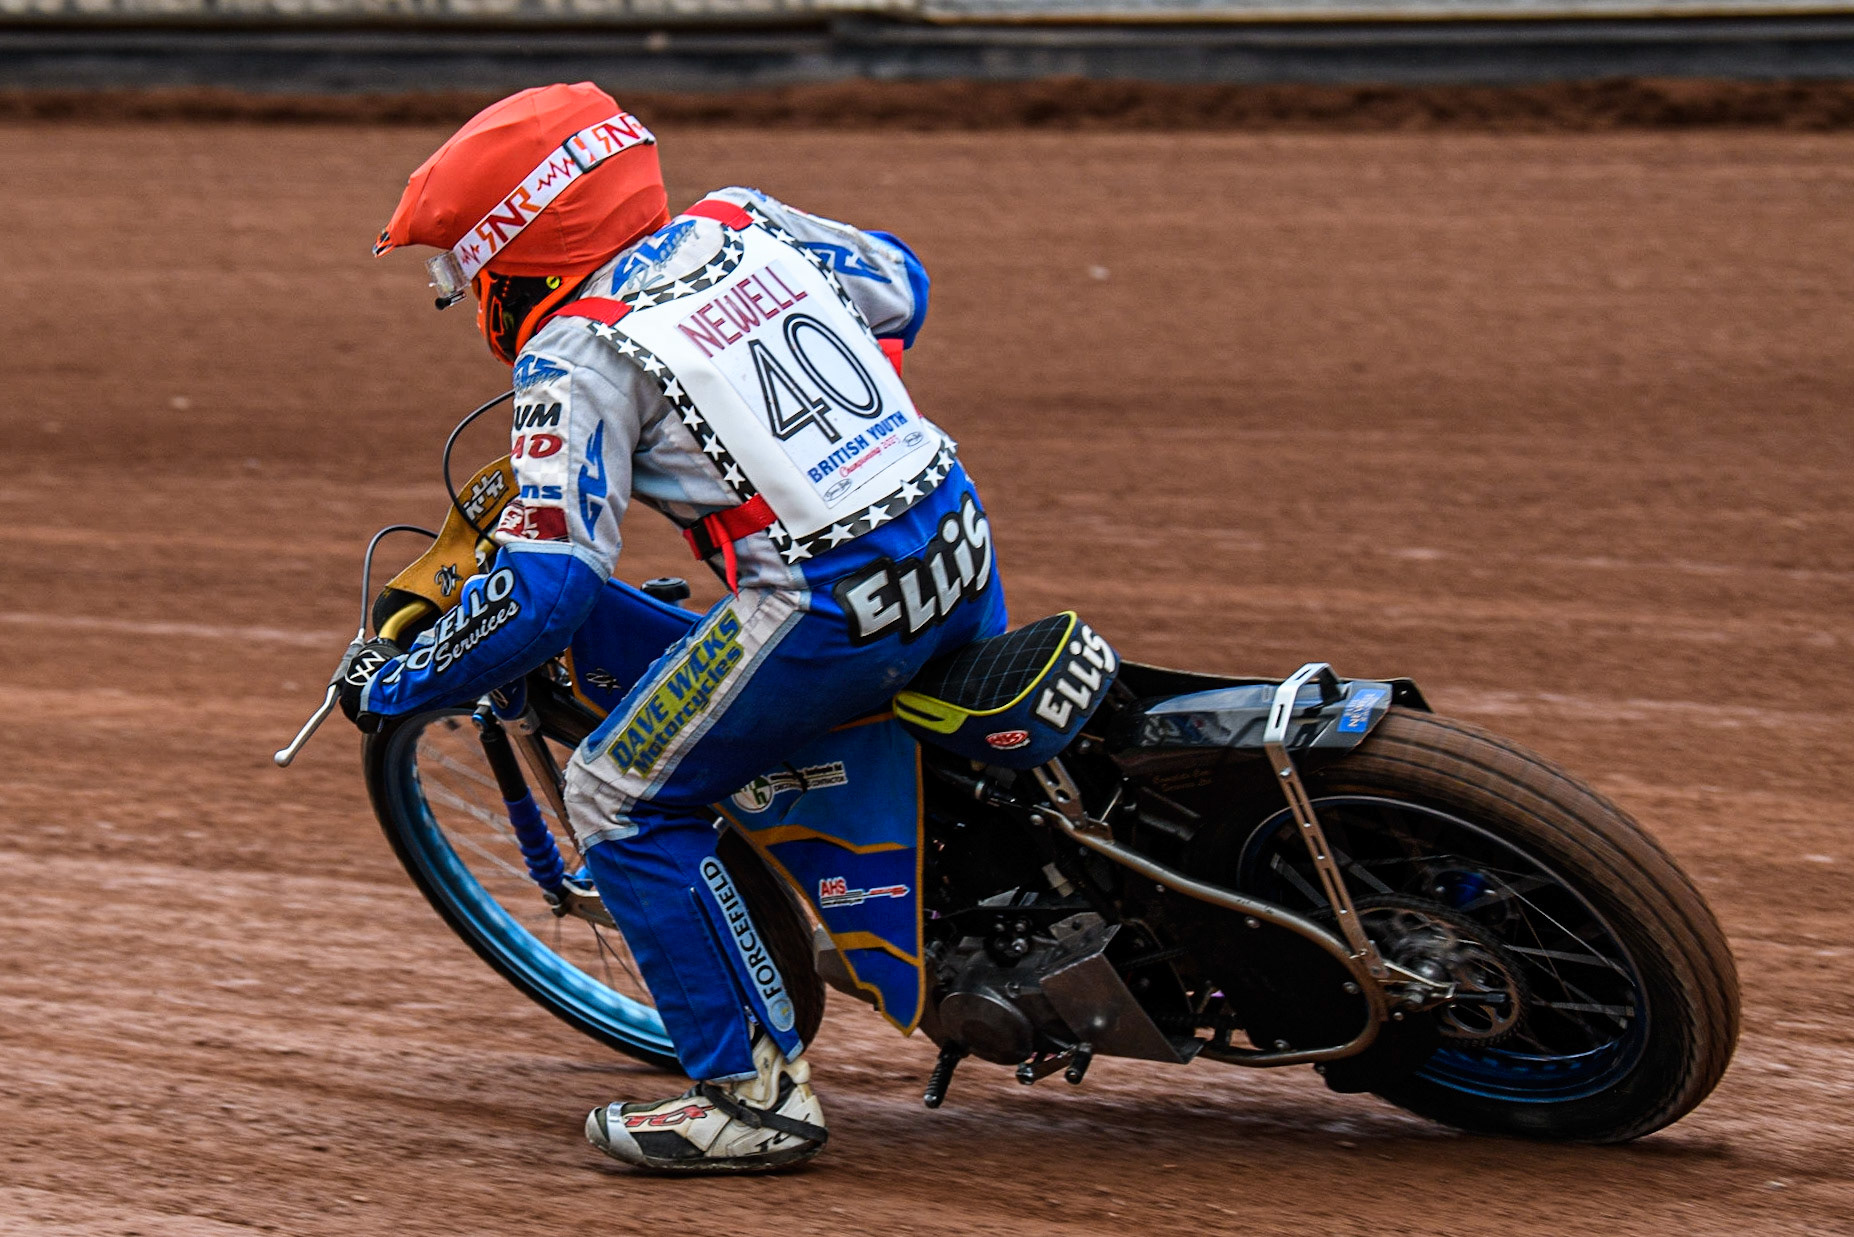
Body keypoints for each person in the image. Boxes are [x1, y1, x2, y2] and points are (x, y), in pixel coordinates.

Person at [343, 82, 1007, 1173]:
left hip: (826, 609)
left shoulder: (576, 351)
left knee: (616, 794)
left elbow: (550, 593)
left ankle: (752, 1097)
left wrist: (400, 682)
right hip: (953, 536)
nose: (473, 299)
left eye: (470, 272)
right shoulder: (742, 218)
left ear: (521, 255)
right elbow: (900, 287)